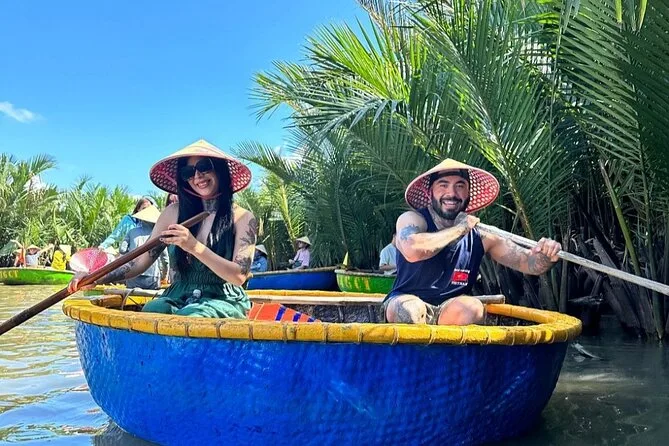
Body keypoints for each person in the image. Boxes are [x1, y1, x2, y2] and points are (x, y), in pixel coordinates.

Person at [68, 139, 256, 319]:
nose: (197, 176)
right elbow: (139, 262)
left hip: (222, 298)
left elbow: (239, 275)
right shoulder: (172, 213)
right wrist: (97, 277)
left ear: (220, 170)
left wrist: (193, 246)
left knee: (190, 316)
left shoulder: (243, 218)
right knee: (153, 309)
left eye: (204, 166)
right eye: (188, 172)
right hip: (179, 294)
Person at [384, 159, 562, 326]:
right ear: (430, 192)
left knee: (473, 308)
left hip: (450, 310)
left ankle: (446, 348)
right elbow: (413, 250)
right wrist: (460, 229)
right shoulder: (413, 219)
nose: (451, 193)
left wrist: (547, 255)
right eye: (443, 185)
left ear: (469, 193)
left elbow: (528, 262)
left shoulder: (482, 235)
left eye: (460, 186)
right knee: (409, 310)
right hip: (406, 299)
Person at [120, 205, 169, 290]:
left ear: (141, 219)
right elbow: (165, 259)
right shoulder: (160, 235)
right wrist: (164, 275)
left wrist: (131, 253)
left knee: (130, 297)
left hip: (132, 274)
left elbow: (122, 250)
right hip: (152, 276)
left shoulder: (131, 232)